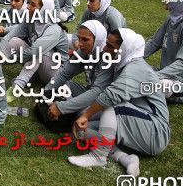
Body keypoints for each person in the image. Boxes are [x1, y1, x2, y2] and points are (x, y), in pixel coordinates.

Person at [68, 28, 170, 177]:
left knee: (109, 104)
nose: (104, 48)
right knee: (81, 131)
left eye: (110, 46)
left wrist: (87, 115)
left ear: (124, 49)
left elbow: (112, 95)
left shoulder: (136, 67)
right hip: (138, 123)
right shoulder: (123, 63)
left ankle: (99, 156)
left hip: (155, 131)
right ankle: (124, 157)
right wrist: (84, 116)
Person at [35, 20, 114, 133]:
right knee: (62, 86)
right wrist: (45, 94)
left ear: (98, 40)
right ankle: (64, 109)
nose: (80, 43)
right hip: (89, 91)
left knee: (82, 113)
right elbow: (64, 73)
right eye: (79, 38)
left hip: (103, 101)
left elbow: (97, 92)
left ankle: (70, 113)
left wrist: (62, 107)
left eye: (85, 39)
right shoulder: (84, 52)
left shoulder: (107, 58)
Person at [0, 0, 68, 102]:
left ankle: (17, 87)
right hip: (40, 66)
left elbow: (34, 51)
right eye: (29, 3)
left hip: (55, 73)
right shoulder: (31, 18)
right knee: (15, 41)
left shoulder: (54, 29)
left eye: (33, 5)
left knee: (38, 51)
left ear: (44, 8)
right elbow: (8, 38)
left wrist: (12, 59)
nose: (28, 7)